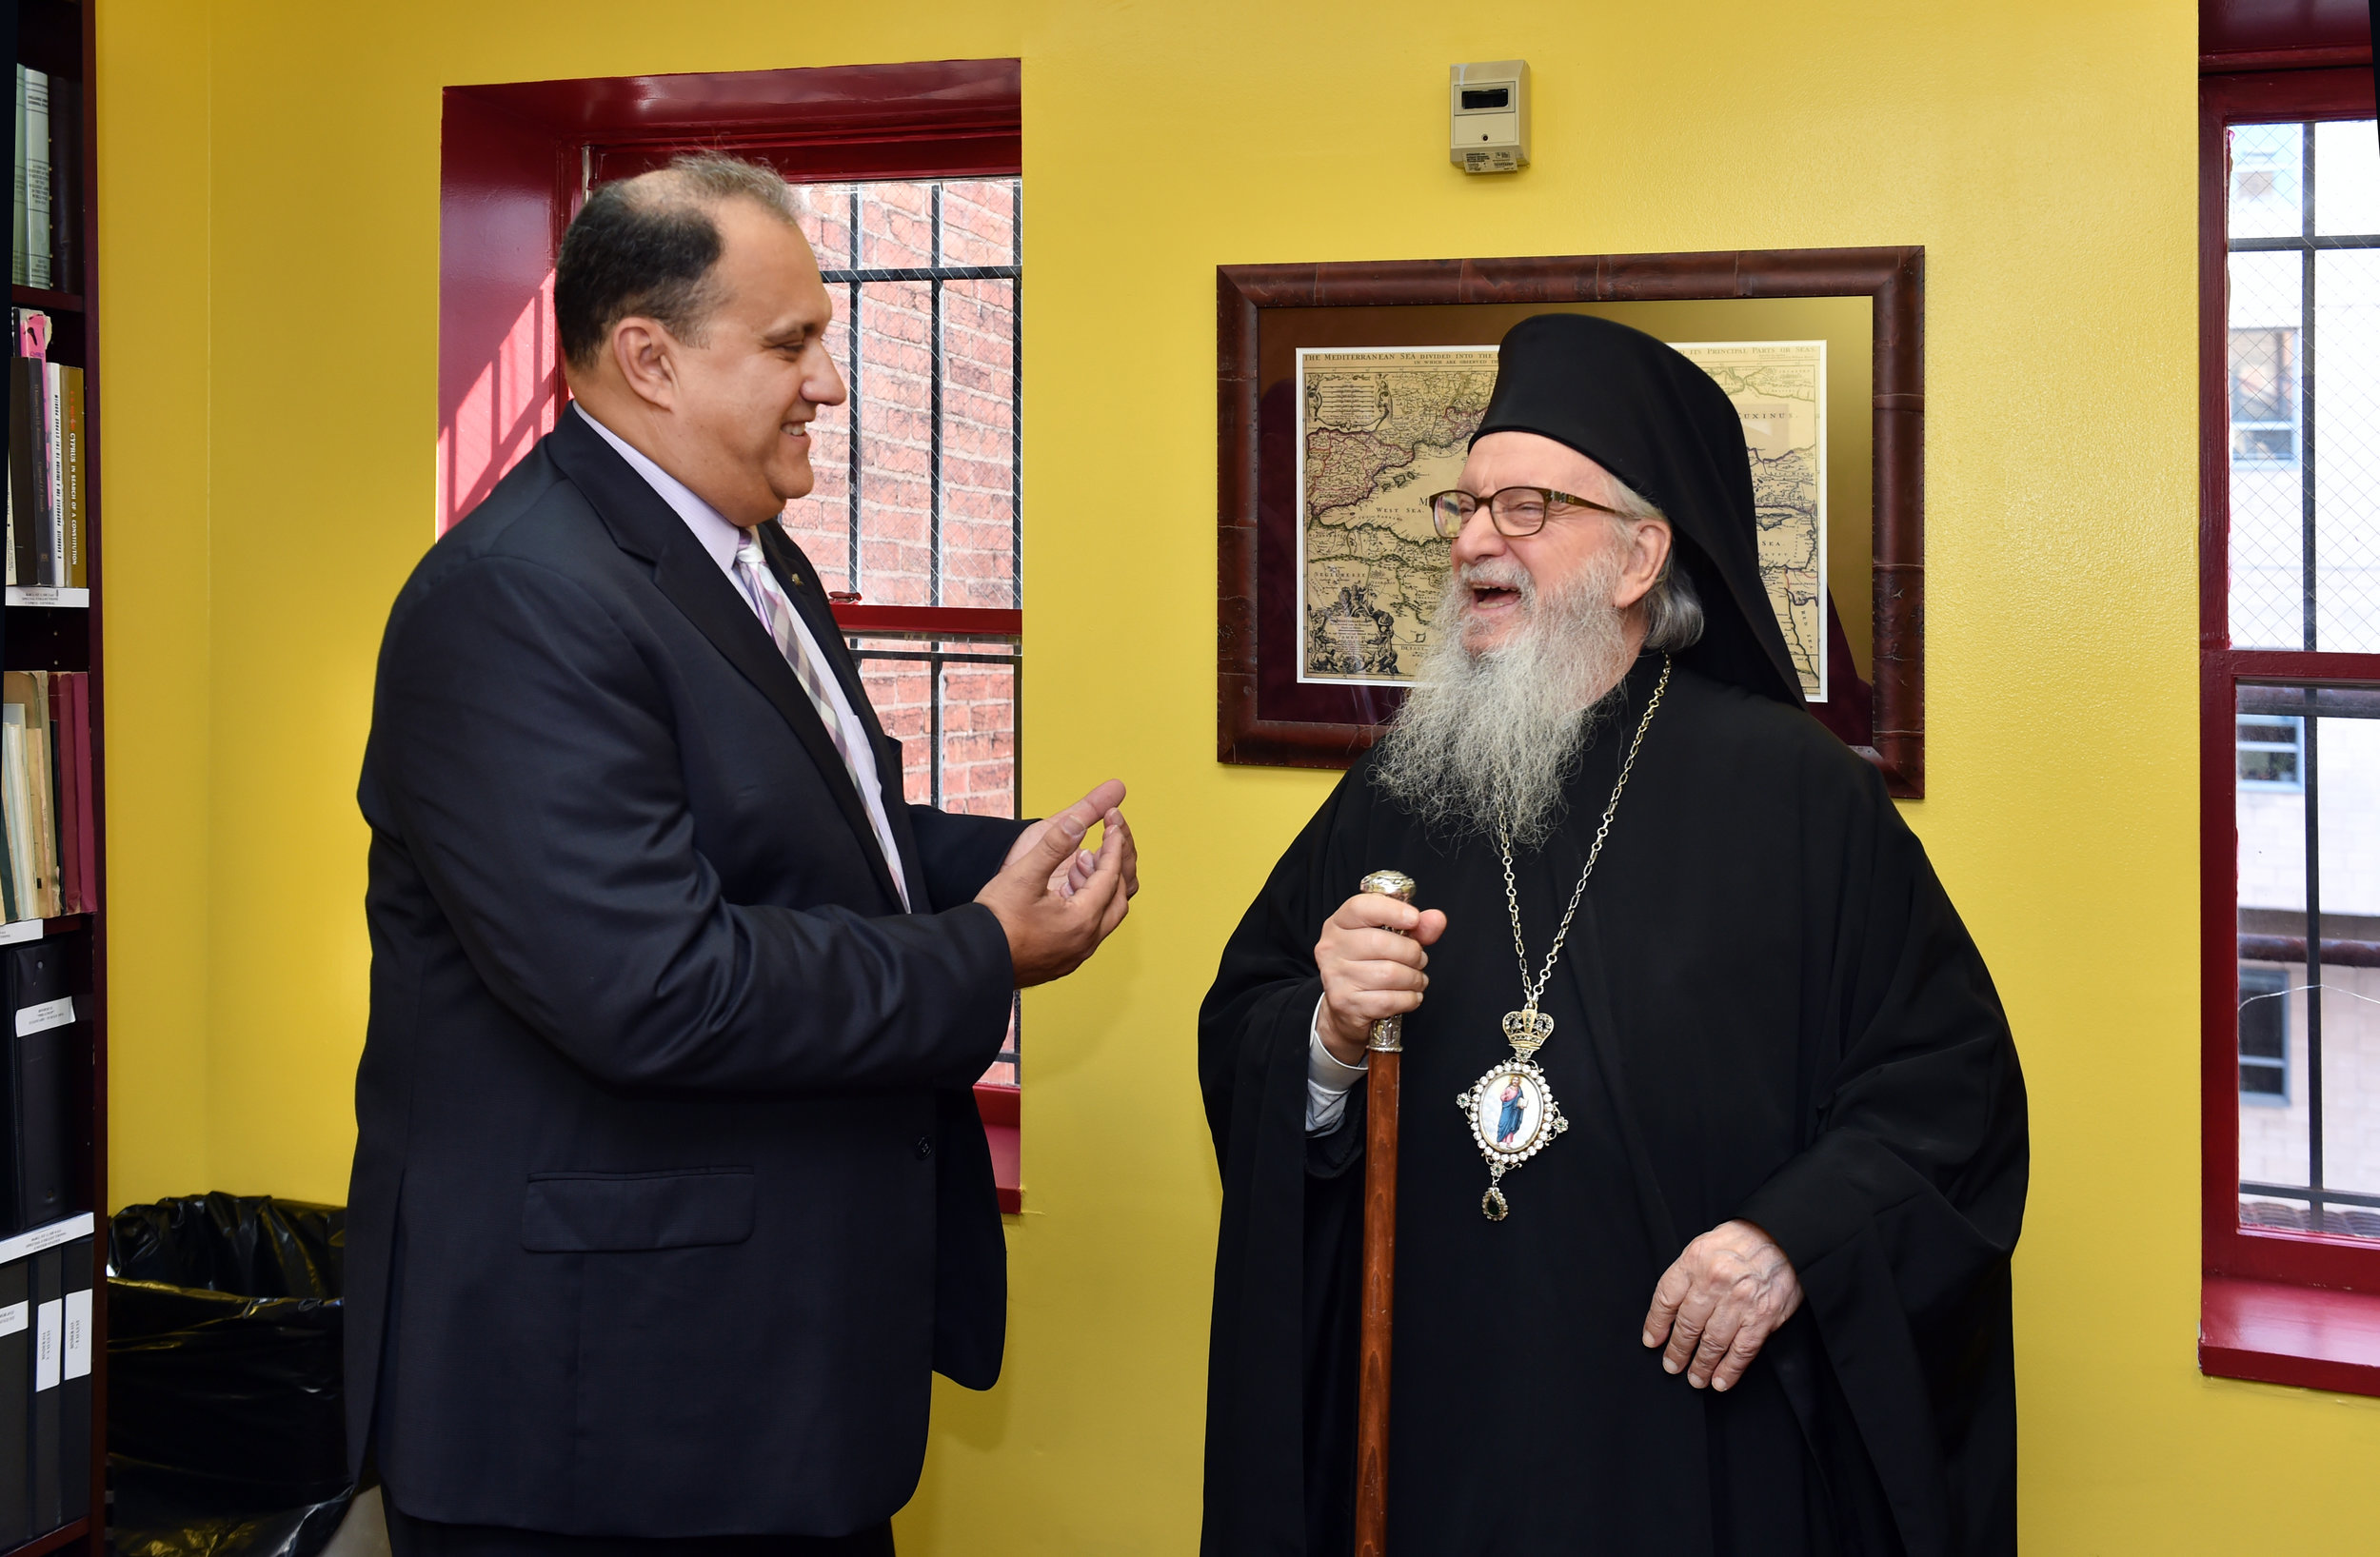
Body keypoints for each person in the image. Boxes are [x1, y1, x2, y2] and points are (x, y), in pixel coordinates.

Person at [348, 152, 1137, 1555]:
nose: (828, 382)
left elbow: (832, 844)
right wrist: (983, 951)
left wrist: (1009, 857)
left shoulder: (750, 556)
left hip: (764, 1387)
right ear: (648, 359)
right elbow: (651, 982)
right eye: (791, 345)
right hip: (600, 1419)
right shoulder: (513, 601)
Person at [1200, 314, 2025, 1556]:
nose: (1477, 539)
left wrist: (1788, 1240)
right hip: (1436, 1431)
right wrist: (1322, 1031)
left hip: (1690, 1448)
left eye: (1524, 507)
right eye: (1465, 506)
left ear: (1641, 555)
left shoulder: (1802, 799)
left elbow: (1948, 1095)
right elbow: (1250, 1020)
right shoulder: (1407, 782)